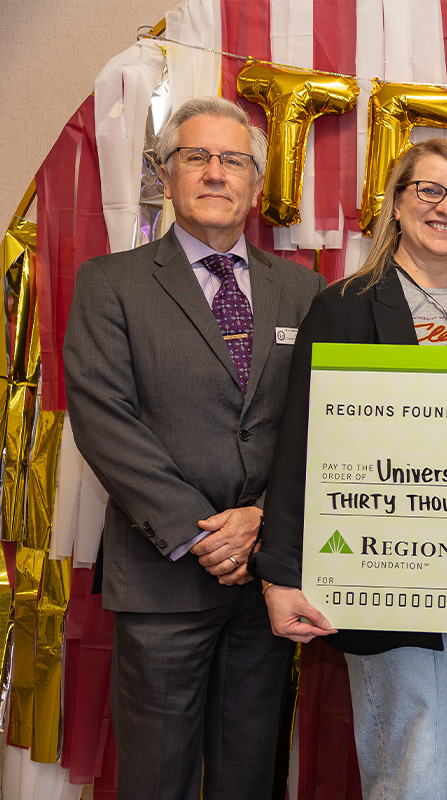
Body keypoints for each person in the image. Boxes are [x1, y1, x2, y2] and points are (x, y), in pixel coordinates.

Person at [62, 96, 325, 799]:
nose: (216, 172)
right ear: (166, 174)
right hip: (162, 576)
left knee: (248, 777)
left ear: (255, 184)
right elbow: (103, 420)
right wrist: (201, 535)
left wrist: (262, 520)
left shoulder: (302, 290)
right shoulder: (108, 283)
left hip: (266, 581)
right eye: (197, 157)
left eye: (232, 159)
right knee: (156, 778)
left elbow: (319, 424)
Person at [249, 137, 447, 800]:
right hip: (390, 570)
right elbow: (301, 444)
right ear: (397, 204)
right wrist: (280, 576)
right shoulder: (344, 307)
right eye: (429, 190)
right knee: (415, 770)